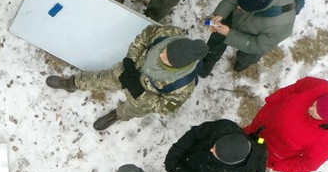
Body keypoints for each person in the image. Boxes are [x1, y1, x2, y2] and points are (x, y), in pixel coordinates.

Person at [46, 26, 208, 130]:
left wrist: (140, 94)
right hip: (129, 71)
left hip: (142, 96)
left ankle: (116, 115)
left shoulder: (184, 85)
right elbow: (144, 37)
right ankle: (72, 83)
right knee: (101, 78)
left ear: (178, 66)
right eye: (164, 50)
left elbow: (166, 108)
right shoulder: (169, 34)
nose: (161, 54)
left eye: (166, 59)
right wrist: (130, 61)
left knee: (131, 110)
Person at [200, 0, 297, 77]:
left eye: (242, 8)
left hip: (257, 34)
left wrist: (229, 34)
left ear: (257, 10)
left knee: (247, 55)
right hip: (240, 19)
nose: (238, 8)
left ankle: (241, 64)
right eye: (239, 4)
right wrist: (221, 13)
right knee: (216, 39)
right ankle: (204, 68)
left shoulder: (281, 25)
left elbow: (257, 45)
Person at [244, 77, 328, 172]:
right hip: (259, 125)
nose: (311, 108)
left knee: (243, 160)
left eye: (318, 112)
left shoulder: (326, 141)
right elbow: (297, 87)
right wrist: (273, 100)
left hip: (265, 151)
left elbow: (309, 164)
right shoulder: (320, 87)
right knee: (240, 138)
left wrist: (277, 165)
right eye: (315, 103)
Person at [163, 119, 261, 172]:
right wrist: (174, 156)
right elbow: (194, 134)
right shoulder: (224, 128)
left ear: (229, 162)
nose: (211, 149)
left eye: (217, 153)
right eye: (216, 145)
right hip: (182, 165)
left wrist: (178, 170)